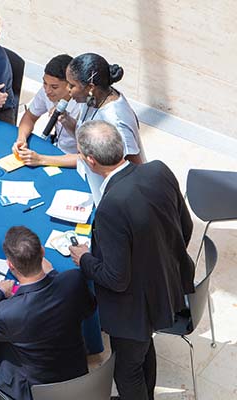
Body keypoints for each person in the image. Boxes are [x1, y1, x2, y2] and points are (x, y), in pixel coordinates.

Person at [69, 120, 196, 400]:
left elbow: (115, 278)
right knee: (141, 351)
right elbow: (185, 227)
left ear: (91, 161)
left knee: (127, 371)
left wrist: (84, 259)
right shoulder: (159, 170)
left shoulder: (111, 208)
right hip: (166, 287)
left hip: (133, 309)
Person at [0, 226, 96, 400]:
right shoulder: (74, 280)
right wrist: (53, 274)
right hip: (76, 369)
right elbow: (89, 308)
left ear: (10, 265)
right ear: (42, 252)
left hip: (35, 387)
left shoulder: (7, 311)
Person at [65, 52, 145, 204]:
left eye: (72, 85)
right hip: (93, 185)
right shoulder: (92, 99)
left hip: (116, 200)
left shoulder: (116, 120)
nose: (68, 89)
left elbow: (134, 171)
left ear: (90, 87)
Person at [12, 54, 80, 167]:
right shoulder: (46, 91)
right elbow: (29, 117)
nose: (47, 91)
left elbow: (86, 158)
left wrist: (41, 160)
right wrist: (21, 139)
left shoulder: (83, 105)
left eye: (54, 87)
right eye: (45, 83)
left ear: (70, 85)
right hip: (55, 146)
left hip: (73, 158)